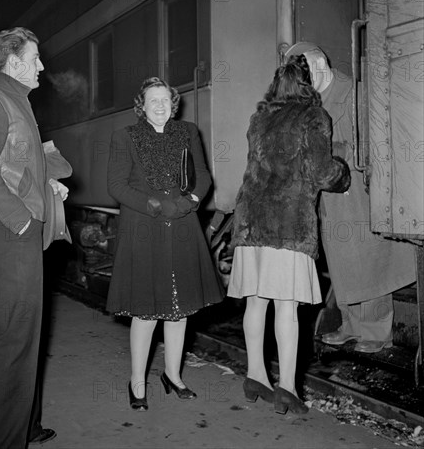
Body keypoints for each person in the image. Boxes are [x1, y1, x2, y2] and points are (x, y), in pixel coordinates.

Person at [0, 27, 68, 448]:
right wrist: (21, 219)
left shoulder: (15, 102)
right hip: (7, 233)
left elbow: (17, 166)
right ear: (15, 62)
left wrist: (48, 186)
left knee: (27, 337)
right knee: (13, 341)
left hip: (18, 234)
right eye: (36, 58)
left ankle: (25, 425)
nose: (42, 65)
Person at [228, 58, 351, 414]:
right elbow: (322, 171)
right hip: (287, 224)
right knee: (287, 308)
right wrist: (343, 174)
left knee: (256, 302)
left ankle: (255, 376)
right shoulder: (314, 116)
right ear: (308, 84)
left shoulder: (259, 118)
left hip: (251, 220)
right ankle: (287, 388)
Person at [285, 42, 416, 353]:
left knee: (370, 260)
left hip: (358, 190)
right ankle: (351, 324)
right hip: (331, 193)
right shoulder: (312, 102)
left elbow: (375, 143)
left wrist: (332, 156)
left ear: (318, 65)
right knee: (343, 261)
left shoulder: (355, 93)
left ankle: (376, 330)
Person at [106, 76, 225, 410]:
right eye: (152, 101)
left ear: (173, 104)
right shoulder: (125, 137)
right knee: (146, 311)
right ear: (141, 106)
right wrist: (154, 206)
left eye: (165, 100)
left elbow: (202, 176)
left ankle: (173, 375)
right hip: (144, 227)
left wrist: (190, 202)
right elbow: (115, 185)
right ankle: (137, 381)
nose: (159, 106)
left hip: (183, 225)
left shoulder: (187, 132)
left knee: (180, 308)